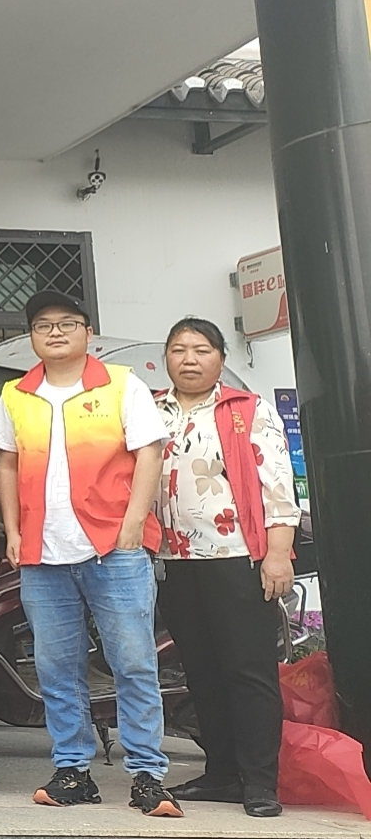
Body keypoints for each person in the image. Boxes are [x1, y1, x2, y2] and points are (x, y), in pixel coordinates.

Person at [0, 290, 179, 816]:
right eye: (43, 325)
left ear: (88, 332)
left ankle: (147, 774)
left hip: (113, 549)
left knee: (133, 662)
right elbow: (6, 463)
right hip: (43, 554)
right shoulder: (16, 394)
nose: (55, 332)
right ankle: (73, 769)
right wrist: (13, 530)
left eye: (67, 323)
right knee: (56, 667)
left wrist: (133, 524)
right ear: (31, 336)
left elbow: (149, 452)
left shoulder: (120, 384)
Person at [152, 318, 297, 818]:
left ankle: (259, 782)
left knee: (248, 672)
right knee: (201, 671)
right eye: (179, 350)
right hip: (173, 561)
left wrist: (277, 553)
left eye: (201, 350)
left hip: (236, 558)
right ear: (166, 358)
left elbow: (278, 487)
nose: (189, 359)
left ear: (220, 358)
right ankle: (221, 773)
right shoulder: (151, 410)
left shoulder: (247, 410)